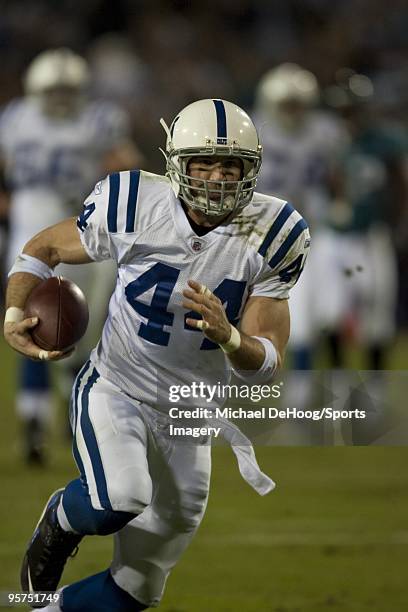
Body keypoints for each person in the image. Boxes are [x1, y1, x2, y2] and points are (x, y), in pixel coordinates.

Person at [4, 99, 310, 610]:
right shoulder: (133, 202)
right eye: (204, 164)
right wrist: (15, 314)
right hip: (117, 385)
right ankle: (60, 517)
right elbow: (46, 248)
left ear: (250, 169)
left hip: (191, 412)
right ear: (176, 164)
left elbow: (268, 362)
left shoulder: (277, 232)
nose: (216, 178)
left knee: (139, 587)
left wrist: (230, 337)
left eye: (229, 165)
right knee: (119, 497)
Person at [0, 47, 141, 464]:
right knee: (34, 321)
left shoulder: (100, 120)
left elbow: (126, 170)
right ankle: (34, 421)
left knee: (81, 327)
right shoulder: (14, 119)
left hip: (84, 228)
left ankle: (67, 398)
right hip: (32, 226)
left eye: (68, 90)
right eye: (54, 90)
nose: (61, 98)